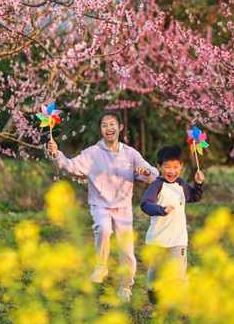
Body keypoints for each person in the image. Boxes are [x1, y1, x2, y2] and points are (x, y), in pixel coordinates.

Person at [47, 110, 158, 303]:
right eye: (104, 125)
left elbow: (153, 175)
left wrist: (146, 171)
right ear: (100, 130)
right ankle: (101, 266)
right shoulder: (92, 153)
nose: (109, 128)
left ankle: (125, 287)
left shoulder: (131, 154)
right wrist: (57, 154)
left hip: (123, 208)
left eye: (112, 124)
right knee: (103, 228)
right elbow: (71, 166)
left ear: (120, 128)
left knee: (127, 250)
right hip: (100, 204)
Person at [140, 144, 204, 305]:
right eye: (167, 167)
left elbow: (195, 197)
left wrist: (198, 185)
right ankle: (152, 289)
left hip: (178, 239)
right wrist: (161, 209)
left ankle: (183, 305)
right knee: (155, 274)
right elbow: (145, 204)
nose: (172, 171)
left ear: (181, 166)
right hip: (158, 239)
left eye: (176, 167)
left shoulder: (181, 184)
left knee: (177, 272)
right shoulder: (157, 185)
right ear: (159, 167)